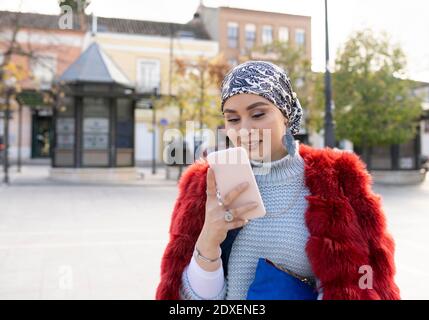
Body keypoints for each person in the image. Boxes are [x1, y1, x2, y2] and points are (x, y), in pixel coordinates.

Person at [156, 61, 400, 300]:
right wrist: (208, 240)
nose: (244, 129)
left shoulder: (339, 179)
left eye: (258, 114)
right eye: (232, 119)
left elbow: (370, 279)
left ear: (285, 114)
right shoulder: (204, 185)